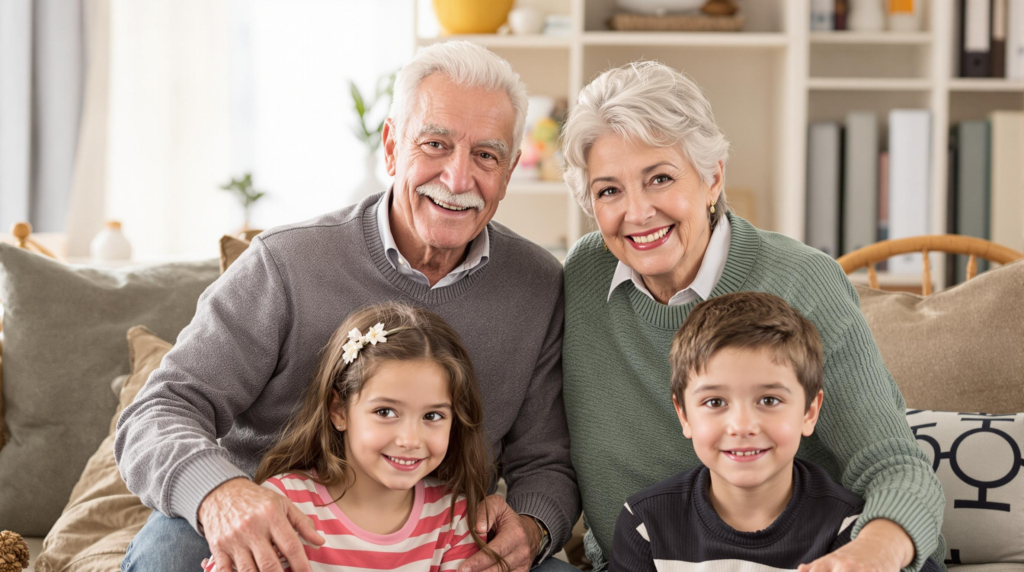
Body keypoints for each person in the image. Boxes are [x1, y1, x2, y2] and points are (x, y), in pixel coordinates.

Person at [116, 40, 580, 572]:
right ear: (390, 147)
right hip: (270, 522)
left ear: (511, 168)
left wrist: (533, 527)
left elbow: (546, 462)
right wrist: (221, 495)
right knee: (171, 556)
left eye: (486, 155)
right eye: (435, 145)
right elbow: (159, 411)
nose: (458, 179)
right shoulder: (286, 262)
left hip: (438, 538)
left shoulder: (537, 285)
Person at [559, 61, 945, 572]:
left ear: (713, 177)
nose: (638, 212)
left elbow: (895, 466)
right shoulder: (583, 276)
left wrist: (866, 557)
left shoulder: (802, 280)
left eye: (660, 178)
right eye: (609, 190)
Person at [610, 292, 942, 572]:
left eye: (769, 400)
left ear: (809, 412)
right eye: (714, 402)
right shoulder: (645, 524)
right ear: (684, 415)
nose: (742, 426)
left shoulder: (850, 532)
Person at [202, 303, 505, 571]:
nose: (411, 439)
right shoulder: (285, 505)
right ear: (339, 411)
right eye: (386, 412)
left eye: (432, 416)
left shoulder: (454, 517)